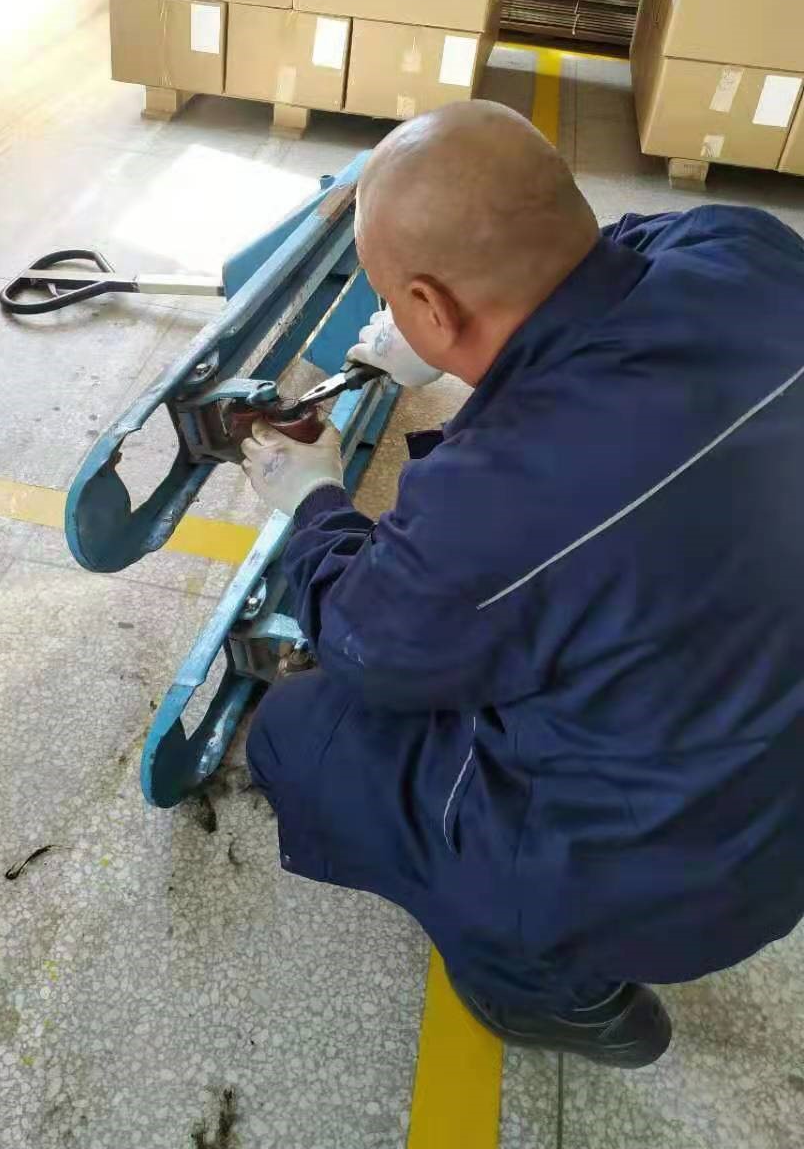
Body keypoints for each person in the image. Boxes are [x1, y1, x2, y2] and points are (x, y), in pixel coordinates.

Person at [240, 100, 804, 1068]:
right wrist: (457, 348)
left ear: (431, 306)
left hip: (671, 876)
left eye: (396, 301)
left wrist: (313, 501)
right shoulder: (746, 247)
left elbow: (368, 637)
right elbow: (598, 259)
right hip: (777, 794)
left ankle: (550, 991)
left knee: (299, 734)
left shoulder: (497, 497)